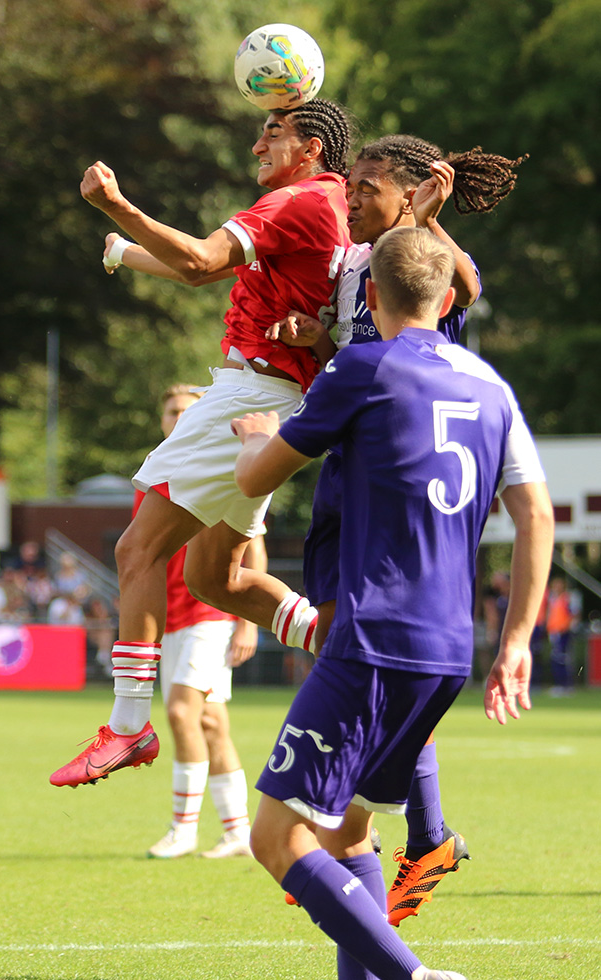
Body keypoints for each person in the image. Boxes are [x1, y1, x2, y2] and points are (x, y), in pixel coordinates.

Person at [231, 226, 554, 980]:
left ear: (368, 296)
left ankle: (410, 976)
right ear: (446, 300)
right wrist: (515, 643)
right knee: (349, 834)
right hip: (448, 651)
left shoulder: (362, 368)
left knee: (276, 837)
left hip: (371, 637)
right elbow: (535, 516)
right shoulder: (490, 387)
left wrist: (255, 434)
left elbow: (255, 479)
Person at [50, 98, 353, 788]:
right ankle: (345, 647)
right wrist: (127, 253)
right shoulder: (328, 206)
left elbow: (198, 262)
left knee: (137, 547)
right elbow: (216, 270)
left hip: (250, 398)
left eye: (270, 133)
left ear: (310, 149)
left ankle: (127, 726)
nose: (256, 148)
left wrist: (115, 206)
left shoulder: (298, 202)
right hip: (275, 400)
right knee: (216, 578)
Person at [268, 134, 525, 928]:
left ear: (412, 192)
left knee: (363, 648)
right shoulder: (354, 262)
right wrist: (314, 340)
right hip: (351, 473)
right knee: (354, 649)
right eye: (349, 185)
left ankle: (403, 841)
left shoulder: (419, 259)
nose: (350, 197)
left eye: (368, 187)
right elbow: (350, 342)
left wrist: (429, 221)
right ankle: (409, 837)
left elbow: (464, 283)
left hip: (393, 481)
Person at [146, 384, 261, 860]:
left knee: (179, 713)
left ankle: (183, 829)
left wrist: (248, 622)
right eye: (171, 410)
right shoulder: (156, 470)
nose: (177, 418)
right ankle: (238, 832)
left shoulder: (220, 462)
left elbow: (252, 540)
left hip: (207, 614)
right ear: (161, 419)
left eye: (185, 412)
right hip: (173, 618)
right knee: (211, 722)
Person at [546, 576, 580, 696]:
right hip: (555, 632)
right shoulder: (553, 598)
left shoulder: (567, 598)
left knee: (563, 659)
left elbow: (574, 615)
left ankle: (565, 685)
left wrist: (569, 628)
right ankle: (560, 684)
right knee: (556, 659)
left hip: (563, 632)